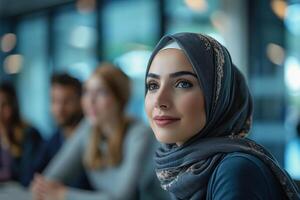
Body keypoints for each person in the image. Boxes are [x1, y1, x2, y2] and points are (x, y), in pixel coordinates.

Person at [144, 32, 300, 199]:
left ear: (218, 97)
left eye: (183, 83)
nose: (159, 101)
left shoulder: (235, 170)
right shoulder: (183, 170)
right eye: (153, 85)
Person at [31, 63, 167, 200]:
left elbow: (122, 198)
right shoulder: (88, 129)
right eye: (87, 92)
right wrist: (43, 189)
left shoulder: (140, 134)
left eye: (101, 92)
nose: (90, 100)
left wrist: (64, 195)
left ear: (120, 99)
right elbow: (49, 180)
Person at [33, 73, 91, 189]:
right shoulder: (52, 141)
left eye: (67, 101)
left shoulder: (93, 137)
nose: (59, 108)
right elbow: (32, 177)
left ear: (81, 102)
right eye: (54, 101)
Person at [0, 81, 42, 187]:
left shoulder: (30, 134)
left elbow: (27, 178)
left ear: (14, 106)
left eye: (5, 104)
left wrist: (7, 142)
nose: (1, 111)